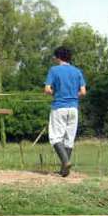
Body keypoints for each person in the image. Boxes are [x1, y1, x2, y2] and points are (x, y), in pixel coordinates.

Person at [44, 46, 86, 177]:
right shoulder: (77, 71)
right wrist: (73, 96)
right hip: (73, 108)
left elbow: (47, 89)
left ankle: (66, 162)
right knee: (69, 138)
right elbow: (83, 92)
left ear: (58, 57)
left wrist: (54, 93)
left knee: (55, 137)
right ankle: (64, 170)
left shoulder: (54, 70)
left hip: (59, 107)